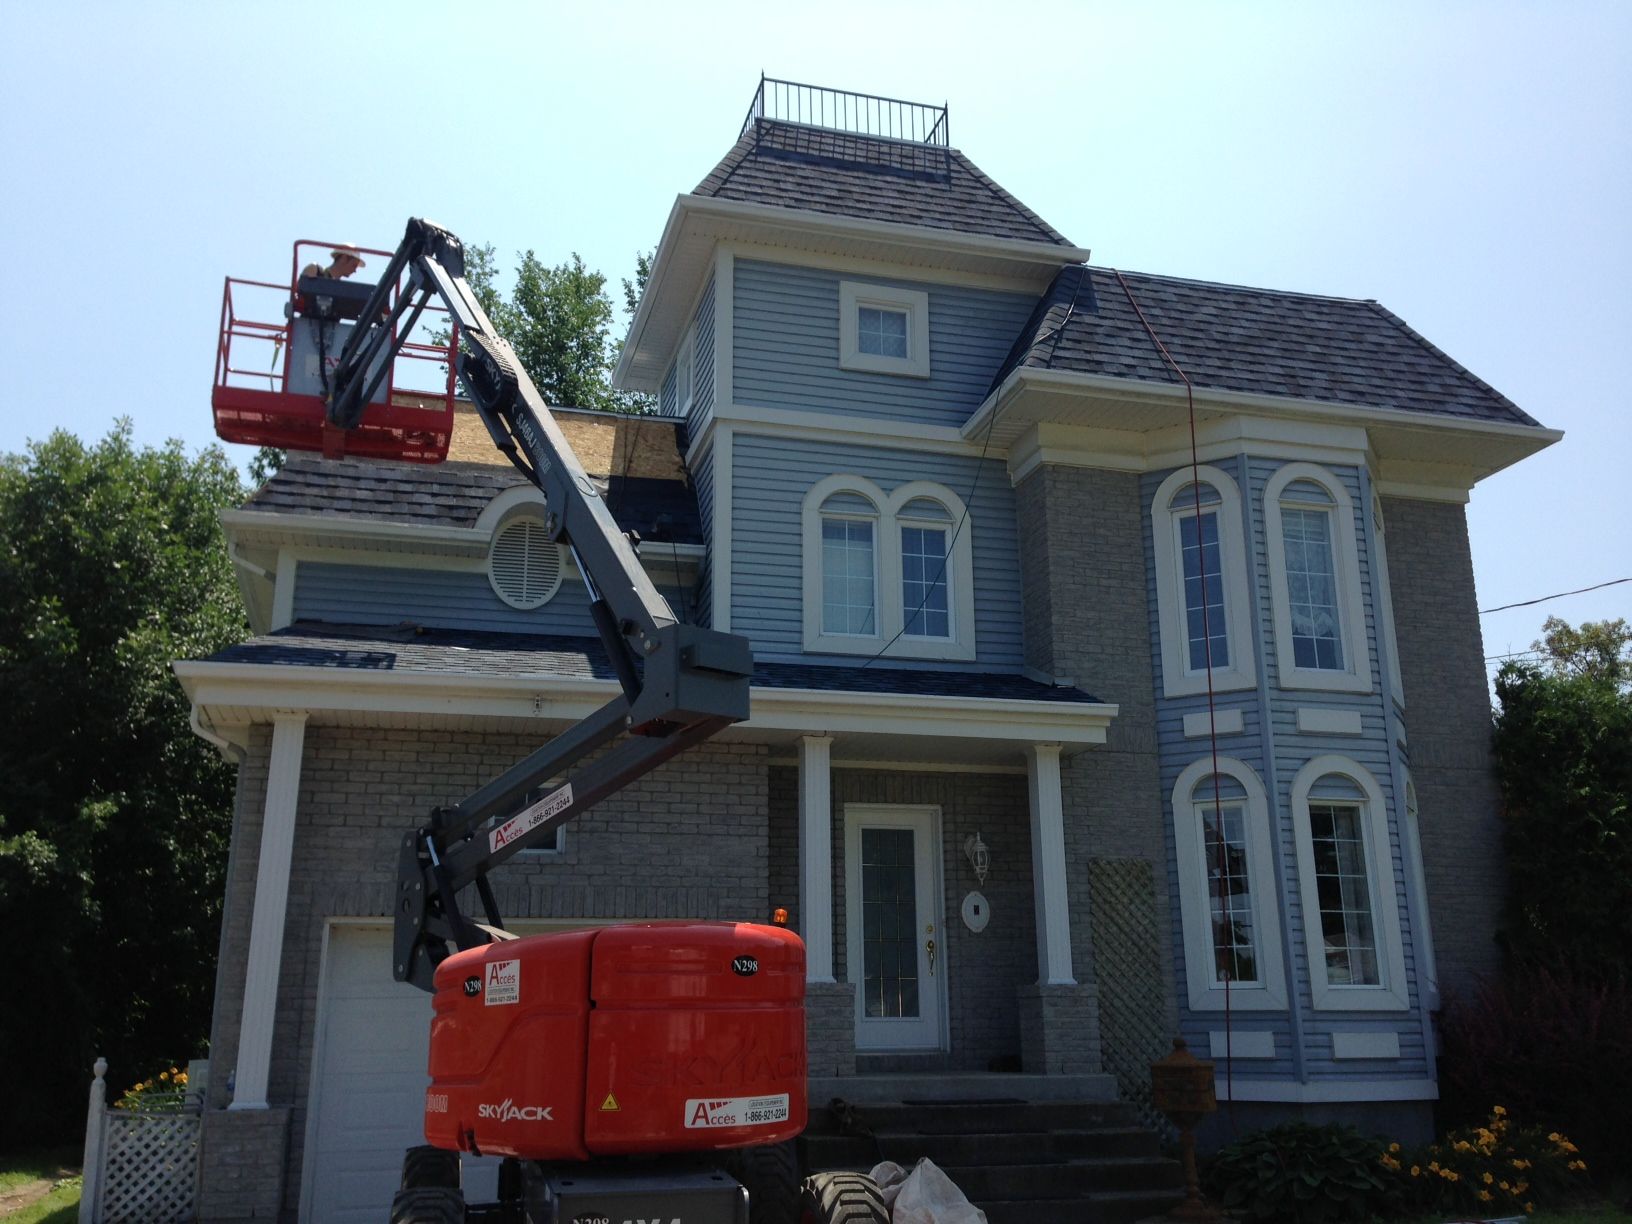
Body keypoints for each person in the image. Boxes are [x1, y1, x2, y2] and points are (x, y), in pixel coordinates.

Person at [300, 245, 367, 281]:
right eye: (354, 265)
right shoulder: (314, 269)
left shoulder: (342, 290)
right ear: (344, 258)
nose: (355, 271)